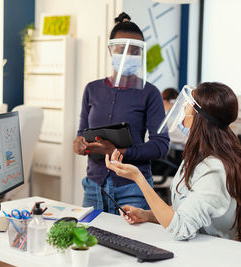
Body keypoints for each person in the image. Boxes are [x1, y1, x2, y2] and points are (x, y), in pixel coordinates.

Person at [105, 82, 241, 241]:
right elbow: (181, 211)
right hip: (193, 248)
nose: (183, 110)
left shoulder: (214, 170)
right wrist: (145, 215)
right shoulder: (197, 157)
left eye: (188, 106)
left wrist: (138, 179)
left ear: (200, 118)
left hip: (212, 254)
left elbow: (181, 228)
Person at [73, 12, 169, 214]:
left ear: (141, 54)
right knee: (89, 243)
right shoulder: (92, 89)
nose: (127, 55)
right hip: (93, 187)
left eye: (134, 51)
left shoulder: (149, 93)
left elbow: (161, 145)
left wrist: (117, 153)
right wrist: (79, 143)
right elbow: (82, 132)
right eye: (121, 49)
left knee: (132, 245)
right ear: (110, 50)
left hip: (133, 187)